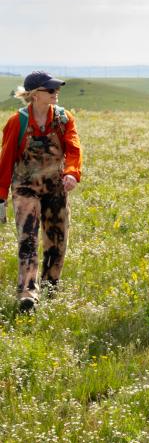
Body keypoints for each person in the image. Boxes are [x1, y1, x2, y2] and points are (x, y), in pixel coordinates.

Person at [0, 71, 82, 312]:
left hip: (56, 187)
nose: (55, 92)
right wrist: (1, 196)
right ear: (35, 95)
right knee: (28, 238)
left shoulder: (64, 118)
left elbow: (74, 149)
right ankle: (27, 292)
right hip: (25, 188)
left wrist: (71, 173)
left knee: (57, 239)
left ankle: (50, 286)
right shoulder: (18, 121)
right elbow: (6, 160)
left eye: (56, 89)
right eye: (50, 90)